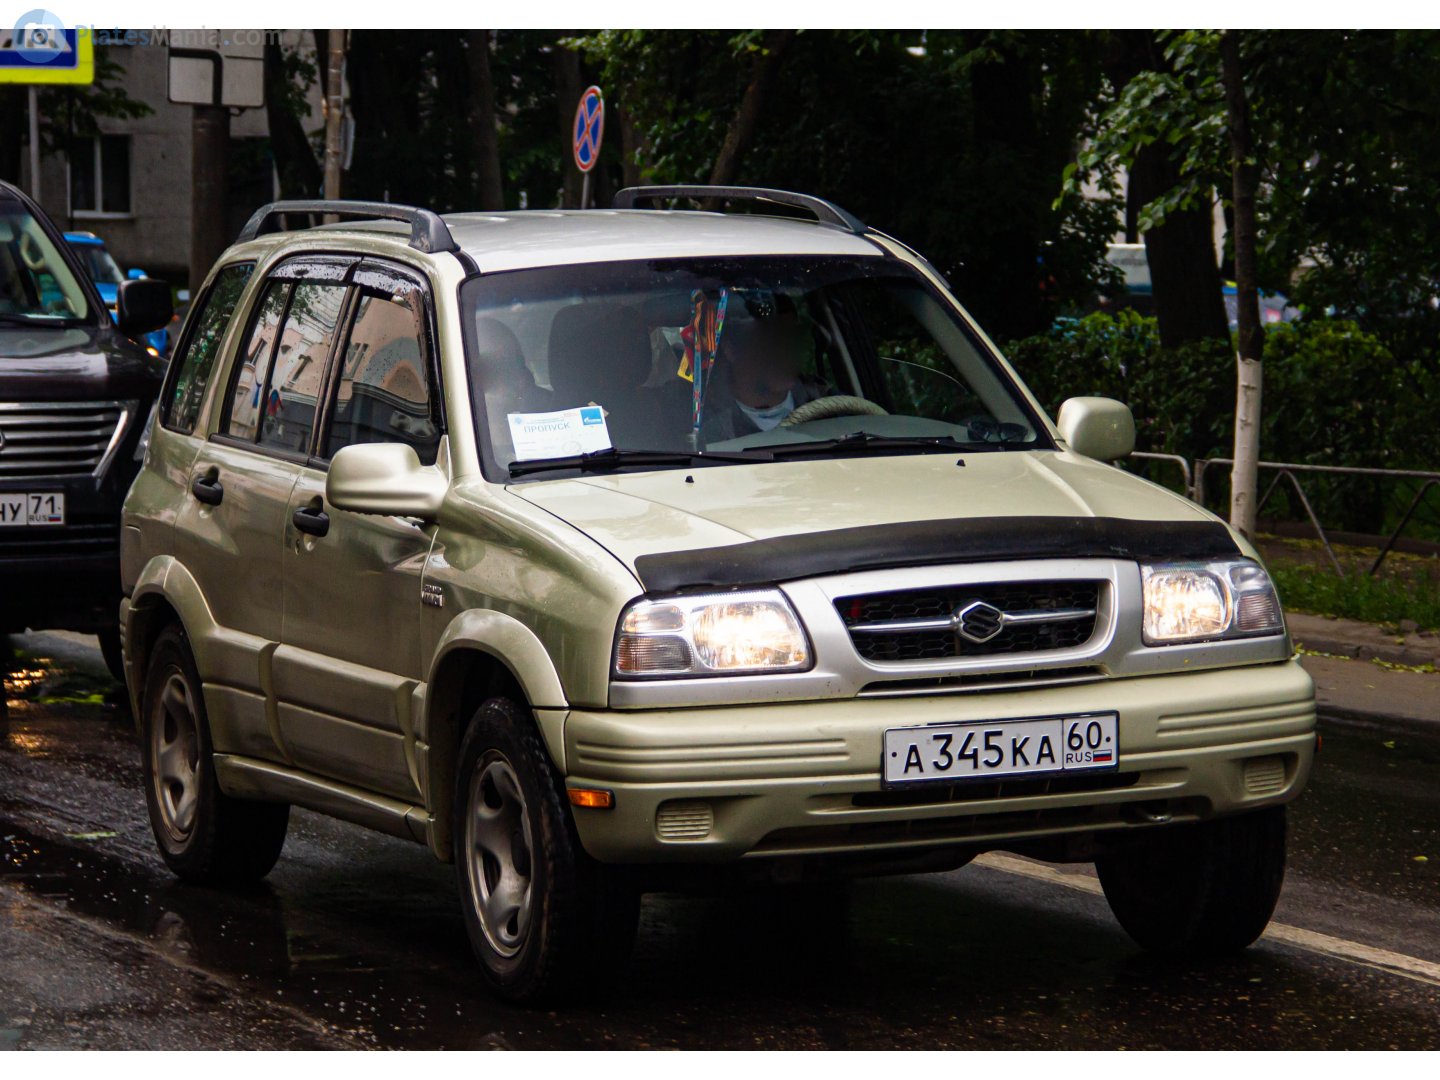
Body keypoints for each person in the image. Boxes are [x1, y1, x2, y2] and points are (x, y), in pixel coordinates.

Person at [698, 289, 831, 443]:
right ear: (731, 350)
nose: (785, 350)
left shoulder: (827, 403)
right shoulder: (701, 422)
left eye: (790, 336)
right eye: (769, 339)